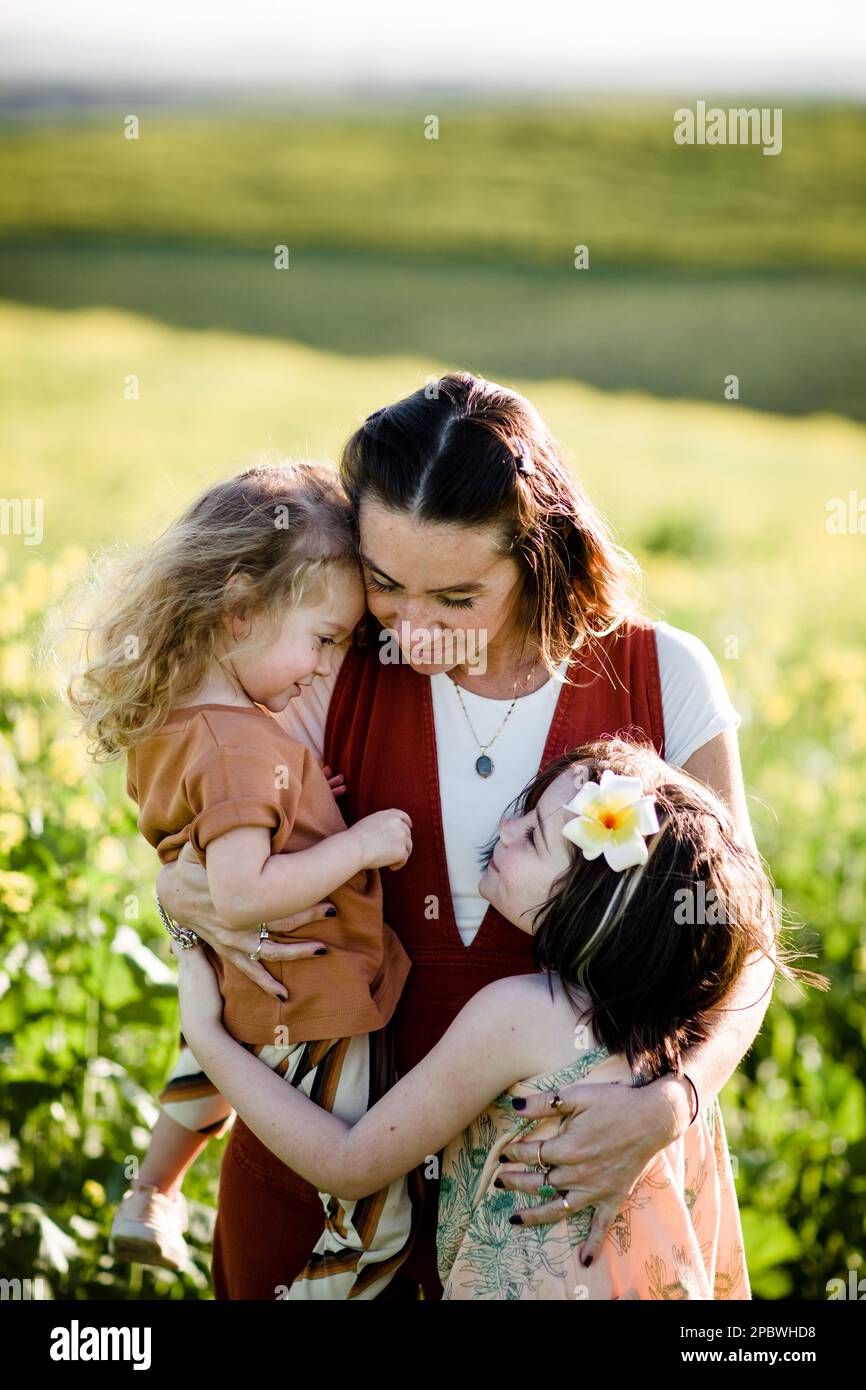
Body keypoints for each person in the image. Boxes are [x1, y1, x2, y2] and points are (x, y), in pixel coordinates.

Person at [157, 372, 781, 1300]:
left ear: (539, 553)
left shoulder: (664, 675)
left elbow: (744, 946)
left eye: (455, 596)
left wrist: (668, 1103)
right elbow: (208, 851)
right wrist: (178, 901)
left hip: (561, 1202)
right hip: (328, 1160)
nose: (409, 629)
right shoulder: (326, 662)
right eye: (383, 583)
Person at [170, 737, 822, 1299]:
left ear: (591, 913)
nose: (504, 830)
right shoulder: (672, 1051)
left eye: (532, 836)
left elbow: (349, 1162)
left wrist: (208, 1038)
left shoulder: (518, 1016)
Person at [67, 459, 418, 1299]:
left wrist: (301, 801)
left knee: (211, 1060)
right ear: (237, 614)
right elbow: (244, 893)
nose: (325, 666)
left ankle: (150, 1190)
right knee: (380, 1226)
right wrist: (362, 841)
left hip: (248, 980)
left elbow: (220, 842)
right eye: (324, 640)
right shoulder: (242, 745)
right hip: (313, 990)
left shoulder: (182, 728)